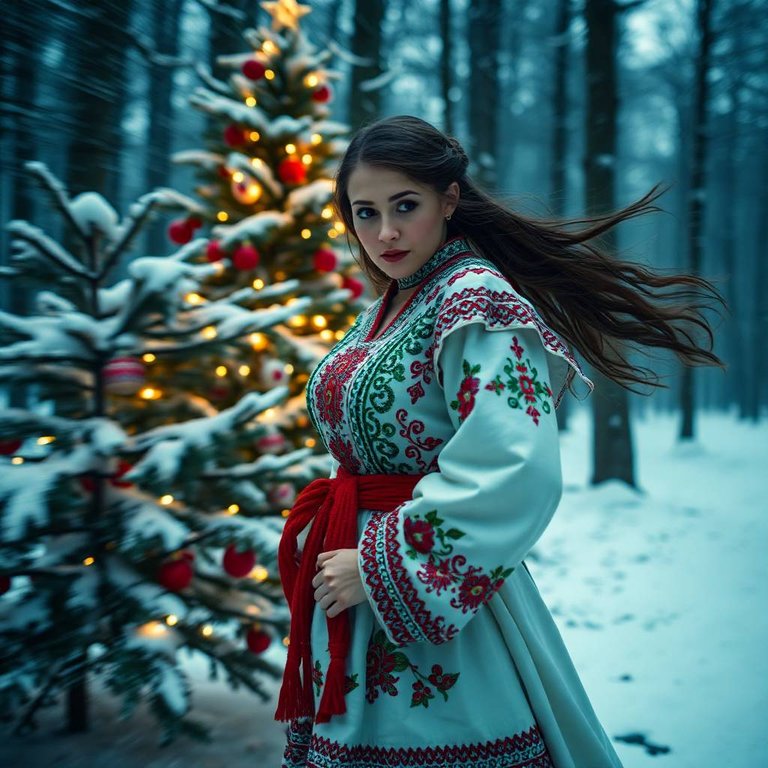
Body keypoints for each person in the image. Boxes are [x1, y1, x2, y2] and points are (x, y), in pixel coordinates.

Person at [275, 115, 723, 768]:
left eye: (406, 206)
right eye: (364, 213)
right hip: (349, 595)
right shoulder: (394, 303)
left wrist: (376, 567)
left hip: (429, 607)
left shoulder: (473, 298)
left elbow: (515, 465)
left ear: (448, 199)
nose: (386, 233)